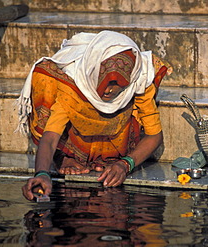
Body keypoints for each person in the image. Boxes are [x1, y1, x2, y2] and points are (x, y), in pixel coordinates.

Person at [18, 30, 172, 201]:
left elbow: (154, 135)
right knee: (45, 76)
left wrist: (125, 164)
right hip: (76, 140)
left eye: (116, 84)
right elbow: (50, 138)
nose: (108, 90)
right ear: (92, 72)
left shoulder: (139, 82)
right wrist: (42, 174)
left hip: (119, 145)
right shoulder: (75, 87)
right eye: (104, 81)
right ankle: (62, 157)